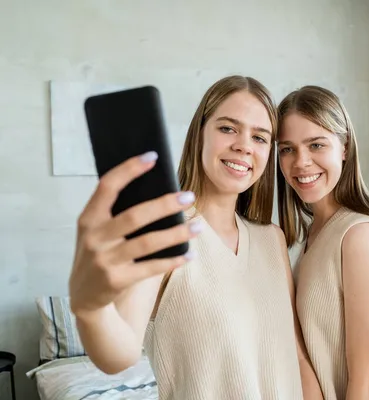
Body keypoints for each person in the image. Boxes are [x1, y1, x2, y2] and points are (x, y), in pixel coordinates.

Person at [68, 75, 322, 399]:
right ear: (200, 134)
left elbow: (297, 358)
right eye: (228, 128)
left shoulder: (271, 239)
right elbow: (119, 352)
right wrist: (90, 307)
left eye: (260, 137)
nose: (244, 145)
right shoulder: (165, 234)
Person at [276, 85, 369, 400]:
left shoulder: (360, 237)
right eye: (287, 149)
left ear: (345, 148)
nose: (301, 162)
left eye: (316, 145)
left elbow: (367, 380)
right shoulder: (312, 233)